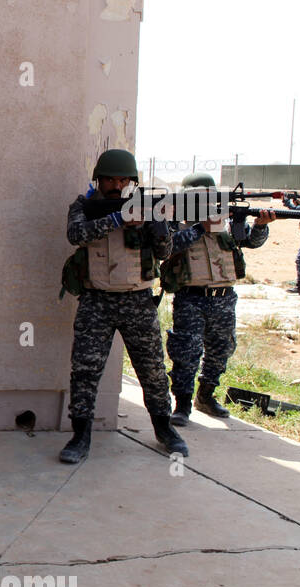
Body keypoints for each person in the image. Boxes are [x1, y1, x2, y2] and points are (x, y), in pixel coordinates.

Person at [59, 148, 186, 464]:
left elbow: (164, 252)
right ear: (99, 181)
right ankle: (80, 435)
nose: (117, 185)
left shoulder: (150, 205)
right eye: (111, 179)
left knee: (152, 370)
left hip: (138, 301)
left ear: (133, 181)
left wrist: (157, 225)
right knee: (85, 370)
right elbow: (76, 234)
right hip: (95, 301)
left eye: (123, 179)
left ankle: (164, 428)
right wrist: (118, 217)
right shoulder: (84, 206)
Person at [164, 173, 275, 425]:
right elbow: (166, 247)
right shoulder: (174, 222)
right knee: (185, 351)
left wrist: (260, 225)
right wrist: (200, 227)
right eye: (197, 197)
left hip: (224, 297)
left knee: (220, 349)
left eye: (209, 197)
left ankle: (206, 396)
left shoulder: (224, 222)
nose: (205, 202)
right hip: (191, 297)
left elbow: (249, 241)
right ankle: (181, 404)